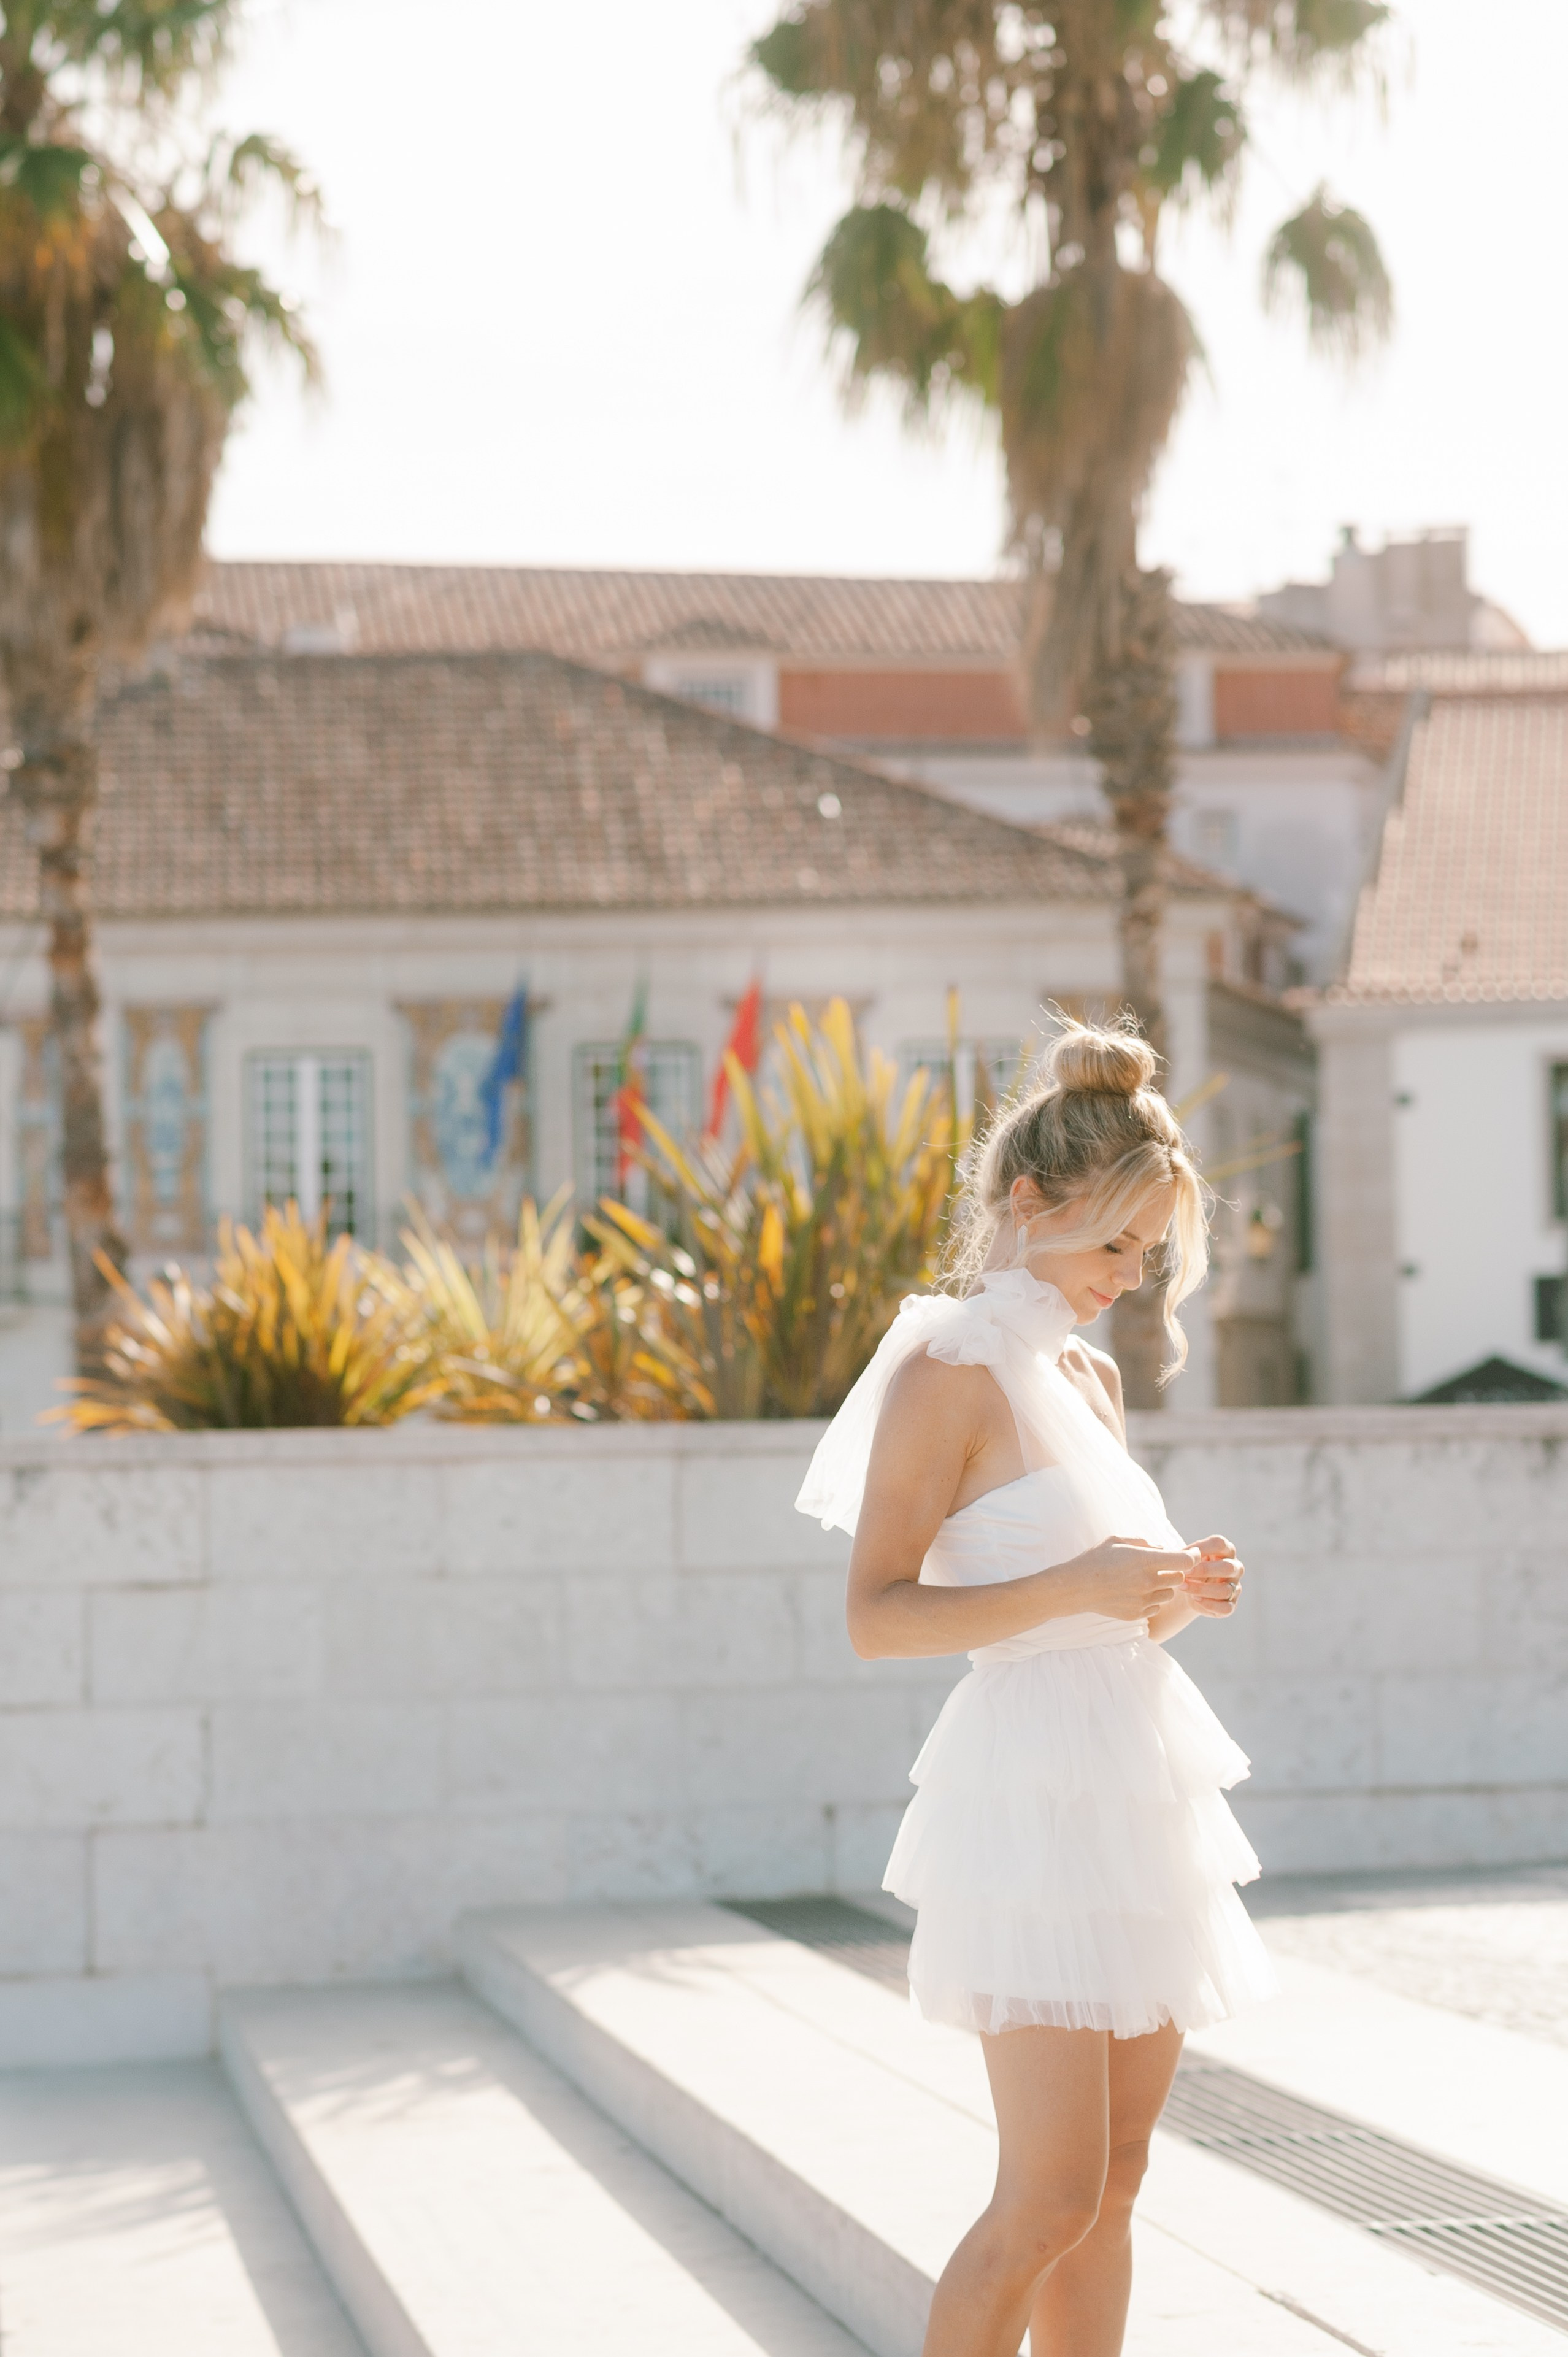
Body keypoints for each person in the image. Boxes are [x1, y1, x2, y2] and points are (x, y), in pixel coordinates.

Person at [796, 1020, 1278, 2357]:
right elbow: (877, 1619)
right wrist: (1080, 1587)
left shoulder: (1093, 1374)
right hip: (1025, 1797)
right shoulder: (946, 1372)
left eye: (1151, 1252)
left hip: (1137, 1781)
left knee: (1117, 2188)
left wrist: (1174, 1595)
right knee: (1050, 2192)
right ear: (1030, 1203)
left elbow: (1102, 1604)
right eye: (1116, 1242)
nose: (1132, 1276)